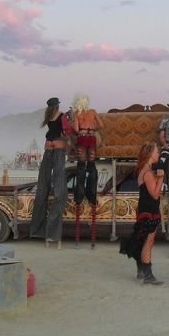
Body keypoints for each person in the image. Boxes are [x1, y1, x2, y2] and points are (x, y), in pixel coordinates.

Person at [119, 142, 165, 285]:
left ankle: (141, 270)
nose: (158, 154)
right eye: (157, 152)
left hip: (145, 209)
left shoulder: (144, 170)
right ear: (151, 154)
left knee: (144, 240)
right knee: (148, 242)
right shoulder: (147, 172)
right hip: (150, 210)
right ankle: (148, 275)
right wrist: (161, 178)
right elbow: (155, 195)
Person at [30, 97, 70, 248]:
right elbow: (66, 132)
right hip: (59, 148)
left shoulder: (48, 117)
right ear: (58, 105)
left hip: (48, 148)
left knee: (42, 189)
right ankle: (53, 233)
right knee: (59, 192)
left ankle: (38, 230)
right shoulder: (62, 115)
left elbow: (52, 130)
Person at [72, 93, 104, 247]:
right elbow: (101, 125)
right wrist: (92, 128)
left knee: (81, 166)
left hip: (82, 137)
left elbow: (75, 129)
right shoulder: (93, 112)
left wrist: (81, 128)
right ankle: (92, 194)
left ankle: (79, 195)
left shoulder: (78, 114)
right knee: (92, 166)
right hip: (91, 137)